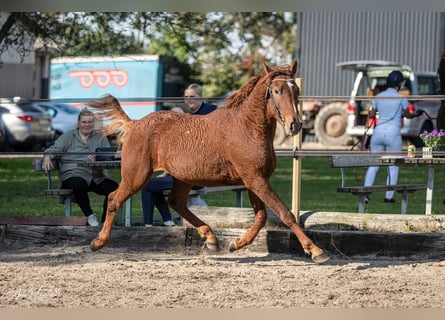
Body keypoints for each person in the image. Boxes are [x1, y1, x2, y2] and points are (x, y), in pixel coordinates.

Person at [141, 83, 217, 227]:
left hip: (196, 173)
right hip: (179, 172)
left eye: (192, 96)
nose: (189, 100)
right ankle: (167, 221)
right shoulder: (179, 127)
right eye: (186, 97)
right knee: (152, 187)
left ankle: (150, 224)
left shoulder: (210, 112)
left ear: (201, 97)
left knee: (148, 186)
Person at [42, 107, 119, 226]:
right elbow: (53, 150)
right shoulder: (68, 136)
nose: (87, 125)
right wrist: (47, 157)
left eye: (90, 122)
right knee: (78, 183)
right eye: (84, 122)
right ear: (78, 123)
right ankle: (89, 216)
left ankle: (106, 222)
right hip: (72, 174)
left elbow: (108, 154)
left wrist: (98, 157)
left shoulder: (100, 136)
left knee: (115, 189)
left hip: (95, 177)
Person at [364, 70, 421, 204]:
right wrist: (417, 114)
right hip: (393, 134)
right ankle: (388, 197)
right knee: (393, 166)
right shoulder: (401, 98)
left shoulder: (378, 96)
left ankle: (365, 194)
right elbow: (407, 114)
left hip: (378, 133)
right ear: (399, 84)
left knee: (373, 165)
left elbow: (371, 114)